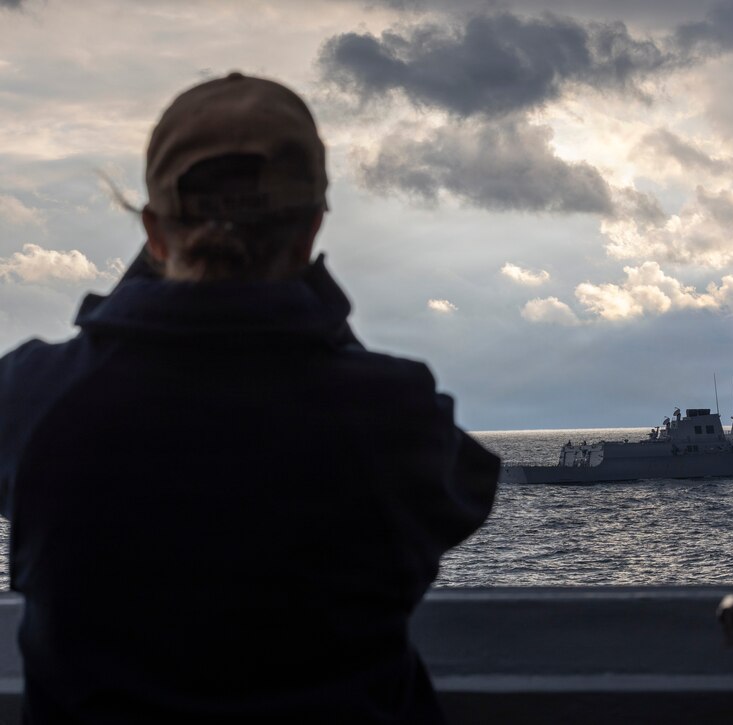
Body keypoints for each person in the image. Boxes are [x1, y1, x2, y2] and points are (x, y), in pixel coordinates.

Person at [0, 73, 498, 723]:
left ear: (153, 231)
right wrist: (310, 312)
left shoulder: (30, 397)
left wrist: (145, 295)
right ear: (312, 229)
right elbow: (466, 489)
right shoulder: (393, 413)